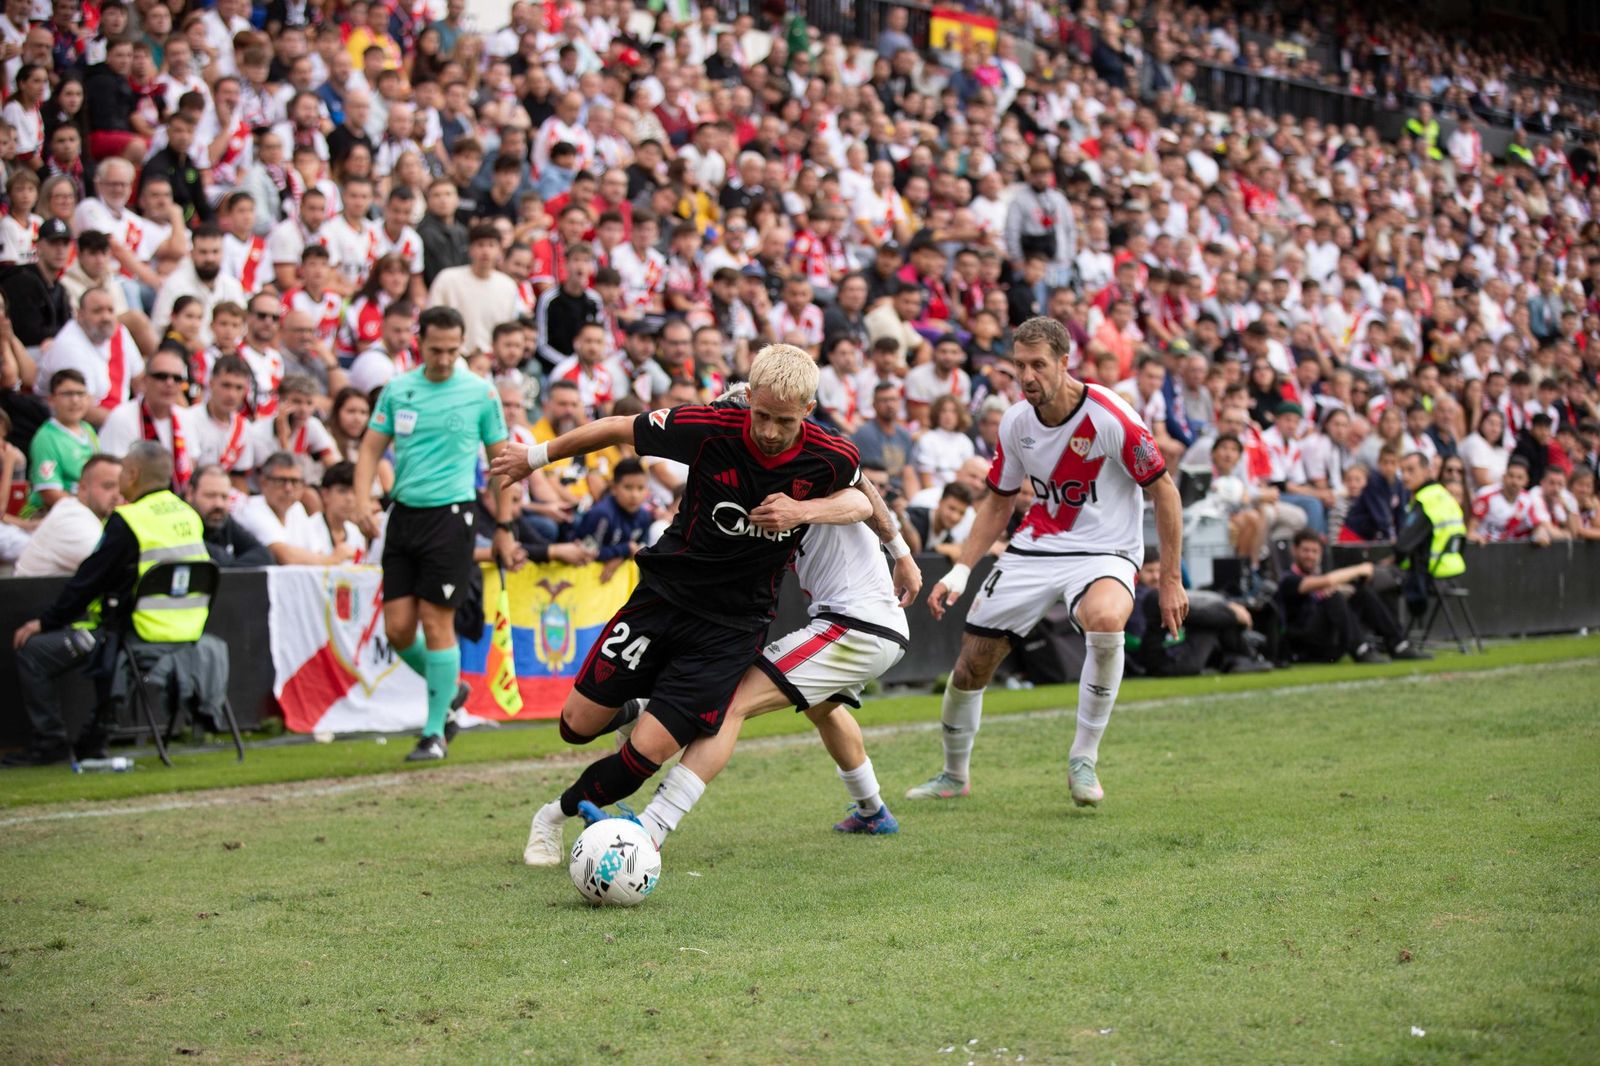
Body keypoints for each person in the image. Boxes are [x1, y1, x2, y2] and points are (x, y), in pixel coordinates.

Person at [494, 345, 866, 863]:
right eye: (761, 415)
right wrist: (535, 457)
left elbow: (860, 498)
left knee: (646, 754)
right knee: (574, 726)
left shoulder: (831, 454)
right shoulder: (709, 426)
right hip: (662, 599)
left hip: (733, 627)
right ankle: (636, 706)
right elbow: (619, 428)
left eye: (784, 421)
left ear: (807, 410)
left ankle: (552, 816)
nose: (770, 431)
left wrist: (806, 509)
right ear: (749, 398)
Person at [911, 317, 1188, 807]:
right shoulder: (1017, 421)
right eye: (1019, 365)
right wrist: (960, 569)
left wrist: (1170, 580)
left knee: (1105, 619)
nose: (1028, 376)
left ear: (1065, 362)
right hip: (1037, 547)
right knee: (972, 665)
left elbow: (1164, 492)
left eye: (1038, 365)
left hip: (1106, 551)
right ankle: (954, 775)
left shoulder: (1110, 417)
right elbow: (998, 501)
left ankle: (1083, 760)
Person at [354, 305, 520, 761]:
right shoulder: (398, 389)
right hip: (404, 516)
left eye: (452, 349)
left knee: (436, 621)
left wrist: (503, 526)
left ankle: (434, 732)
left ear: (462, 345)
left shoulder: (480, 394)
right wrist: (360, 498)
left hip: (452, 517)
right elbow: (370, 449)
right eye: (435, 349)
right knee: (399, 630)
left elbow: (502, 462)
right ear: (419, 343)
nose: (444, 358)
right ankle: (450, 687)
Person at [9, 442, 208, 766]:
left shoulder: (130, 519)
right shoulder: (187, 514)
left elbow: (89, 581)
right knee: (109, 641)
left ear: (133, 474)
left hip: (137, 634)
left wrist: (45, 622)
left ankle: (52, 745)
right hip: (189, 634)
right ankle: (94, 739)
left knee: (35, 652)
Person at [1276, 529, 1428, 664]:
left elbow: (1327, 583)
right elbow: (1325, 581)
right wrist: (1360, 569)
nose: (1310, 556)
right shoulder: (1288, 579)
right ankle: (1360, 649)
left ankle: (1398, 645)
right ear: (1294, 550)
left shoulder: (1318, 576)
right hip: (1305, 646)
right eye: (1305, 550)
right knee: (1333, 596)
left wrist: (1345, 589)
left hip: (1330, 641)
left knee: (1362, 592)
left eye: (1314, 551)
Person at [14, 453, 121, 576]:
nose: (117, 495)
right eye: (108, 486)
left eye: (120, 487)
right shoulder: (71, 520)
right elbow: (112, 567)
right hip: (35, 595)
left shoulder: (78, 511)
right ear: (83, 488)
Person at [426, 223, 522, 354]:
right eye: (480, 245)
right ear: (470, 249)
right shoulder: (447, 279)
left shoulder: (508, 286)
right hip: (454, 356)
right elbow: (432, 321)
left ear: (500, 251)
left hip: (492, 360)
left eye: (491, 245)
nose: (485, 251)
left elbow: (508, 329)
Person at [23, 368, 100, 516]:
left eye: (80, 393)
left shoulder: (88, 429)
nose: (75, 400)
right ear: (51, 400)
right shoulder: (46, 437)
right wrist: (88, 509)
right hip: (50, 514)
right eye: (67, 394)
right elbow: (49, 492)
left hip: (86, 509)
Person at [1395, 450, 1467, 590]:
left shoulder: (1425, 500)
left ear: (1426, 471)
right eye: (1402, 471)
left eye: (1411, 470)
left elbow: (1402, 547)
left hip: (1428, 574)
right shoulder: (1443, 494)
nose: (1405, 476)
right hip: (1452, 570)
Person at [187, 463, 272, 567]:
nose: (218, 504)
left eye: (224, 497)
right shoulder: (178, 517)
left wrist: (229, 565)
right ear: (190, 493)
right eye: (210, 495)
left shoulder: (222, 518)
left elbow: (264, 555)